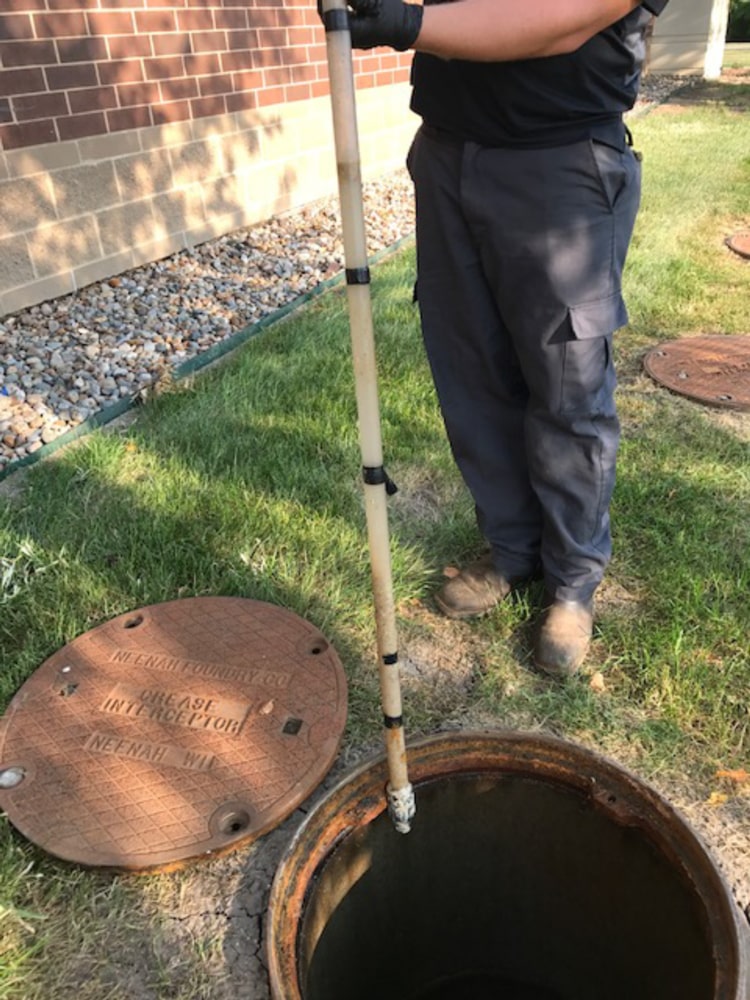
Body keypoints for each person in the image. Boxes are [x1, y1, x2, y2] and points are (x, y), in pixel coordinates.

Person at [324, 0, 669, 675]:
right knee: (472, 371)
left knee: (568, 388)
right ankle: (512, 548)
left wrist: (404, 26)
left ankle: (571, 582)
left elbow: (564, 18)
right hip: (448, 151)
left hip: (560, 161)